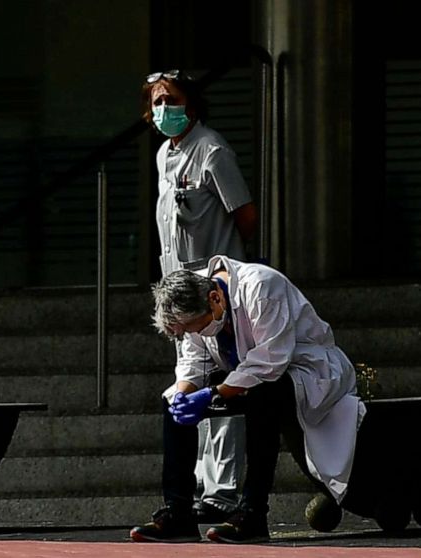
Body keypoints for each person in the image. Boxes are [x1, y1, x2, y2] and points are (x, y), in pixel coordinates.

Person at [130, 255, 366, 544]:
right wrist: (184, 394)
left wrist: (213, 394)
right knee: (172, 403)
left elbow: (271, 361)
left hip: (305, 371)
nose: (197, 334)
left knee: (262, 395)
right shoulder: (196, 302)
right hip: (245, 373)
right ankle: (178, 514)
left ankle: (253, 514)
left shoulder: (262, 287)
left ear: (215, 298)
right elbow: (193, 361)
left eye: (197, 327)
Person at [142, 69, 258, 524]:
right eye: (155, 102)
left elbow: (245, 214)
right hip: (179, 293)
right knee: (188, 383)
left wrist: (227, 268)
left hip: (214, 289)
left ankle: (223, 492)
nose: (161, 110)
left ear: (190, 105)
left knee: (223, 386)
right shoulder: (163, 156)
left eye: (169, 100)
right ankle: (196, 486)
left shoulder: (212, 150)